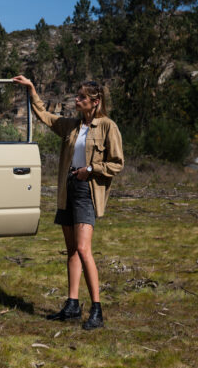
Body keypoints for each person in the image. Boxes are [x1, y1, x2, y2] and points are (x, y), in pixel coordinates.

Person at [12, 76, 124, 330]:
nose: (76, 100)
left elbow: (117, 163)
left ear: (95, 102)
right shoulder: (72, 126)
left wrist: (92, 168)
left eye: (82, 97)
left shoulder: (107, 126)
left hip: (87, 190)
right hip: (68, 188)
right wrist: (31, 88)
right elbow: (45, 116)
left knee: (84, 250)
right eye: (77, 95)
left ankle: (97, 310)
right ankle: (72, 304)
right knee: (72, 250)